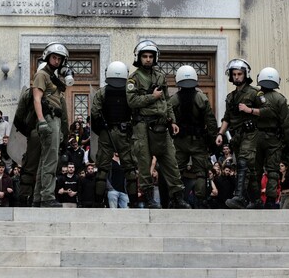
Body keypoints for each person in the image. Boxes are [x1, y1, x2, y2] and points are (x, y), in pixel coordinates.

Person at [126, 40, 190, 209]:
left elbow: (167, 100)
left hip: (162, 126)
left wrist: (173, 120)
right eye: (145, 56)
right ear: (139, 58)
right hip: (142, 126)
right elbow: (131, 101)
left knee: (170, 161)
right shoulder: (133, 78)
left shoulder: (160, 76)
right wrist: (151, 97)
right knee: (144, 162)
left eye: (150, 56)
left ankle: (178, 197)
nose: (148, 59)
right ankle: (148, 199)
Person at [215, 58, 264, 209]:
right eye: (234, 74)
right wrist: (220, 134)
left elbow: (268, 112)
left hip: (251, 134)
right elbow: (227, 118)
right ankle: (256, 200)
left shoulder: (255, 93)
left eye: (239, 74)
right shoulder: (230, 97)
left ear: (245, 74)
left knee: (243, 162)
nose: (236, 77)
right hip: (236, 136)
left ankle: (239, 197)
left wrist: (250, 110)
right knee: (251, 169)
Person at [169, 65, 218, 208]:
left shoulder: (174, 99)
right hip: (198, 140)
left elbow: (168, 119)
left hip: (180, 141)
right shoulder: (201, 97)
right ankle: (200, 200)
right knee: (201, 172)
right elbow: (211, 121)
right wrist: (212, 141)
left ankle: (176, 199)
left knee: (176, 170)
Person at [91, 61, 139, 207]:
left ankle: (98, 202)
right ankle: (134, 202)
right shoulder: (130, 91)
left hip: (107, 132)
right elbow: (136, 112)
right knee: (130, 169)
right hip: (125, 133)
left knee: (102, 170)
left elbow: (94, 113)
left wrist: (102, 130)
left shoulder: (102, 92)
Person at [32, 42, 71, 207]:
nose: (57, 61)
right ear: (48, 57)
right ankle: (47, 196)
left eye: (59, 59)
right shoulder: (42, 74)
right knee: (50, 160)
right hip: (47, 119)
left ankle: (38, 198)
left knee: (45, 160)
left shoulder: (53, 76)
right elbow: (36, 98)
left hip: (54, 119)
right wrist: (41, 120)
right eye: (54, 57)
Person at [252, 67, 289, 208]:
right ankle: (270, 200)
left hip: (256, 137)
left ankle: (255, 199)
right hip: (274, 138)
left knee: (255, 170)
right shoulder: (280, 99)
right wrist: (287, 141)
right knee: (273, 171)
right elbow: (285, 123)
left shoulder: (255, 96)